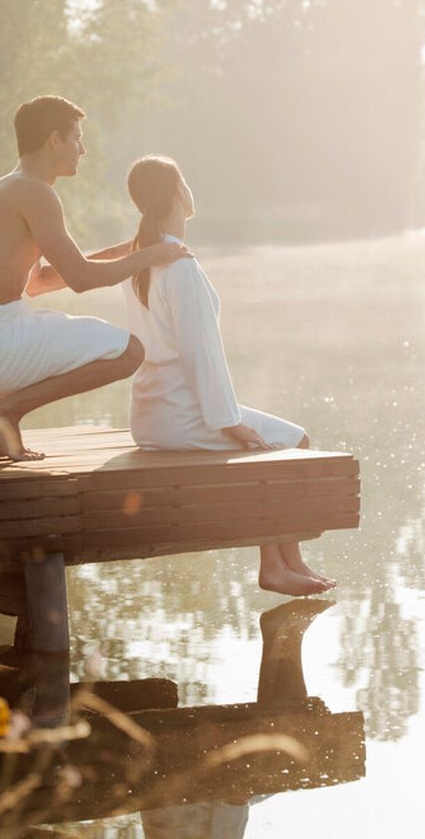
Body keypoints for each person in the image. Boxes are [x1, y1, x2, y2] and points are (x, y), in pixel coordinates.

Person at [0, 96, 193, 461]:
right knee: (130, 352)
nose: (82, 150)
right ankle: (2, 410)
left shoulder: (5, 188)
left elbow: (37, 283)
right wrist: (150, 255)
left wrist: (122, 252)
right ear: (55, 140)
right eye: (77, 139)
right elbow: (82, 279)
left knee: (96, 340)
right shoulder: (36, 193)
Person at [119, 155, 334, 596]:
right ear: (179, 192)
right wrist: (228, 421)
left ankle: (290, 561)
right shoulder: (179, 267)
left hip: (151, 412)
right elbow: (202, 354)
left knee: (283, 441)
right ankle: (275, 565)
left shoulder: (140, 261)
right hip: (182, 413)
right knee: (294, 443)